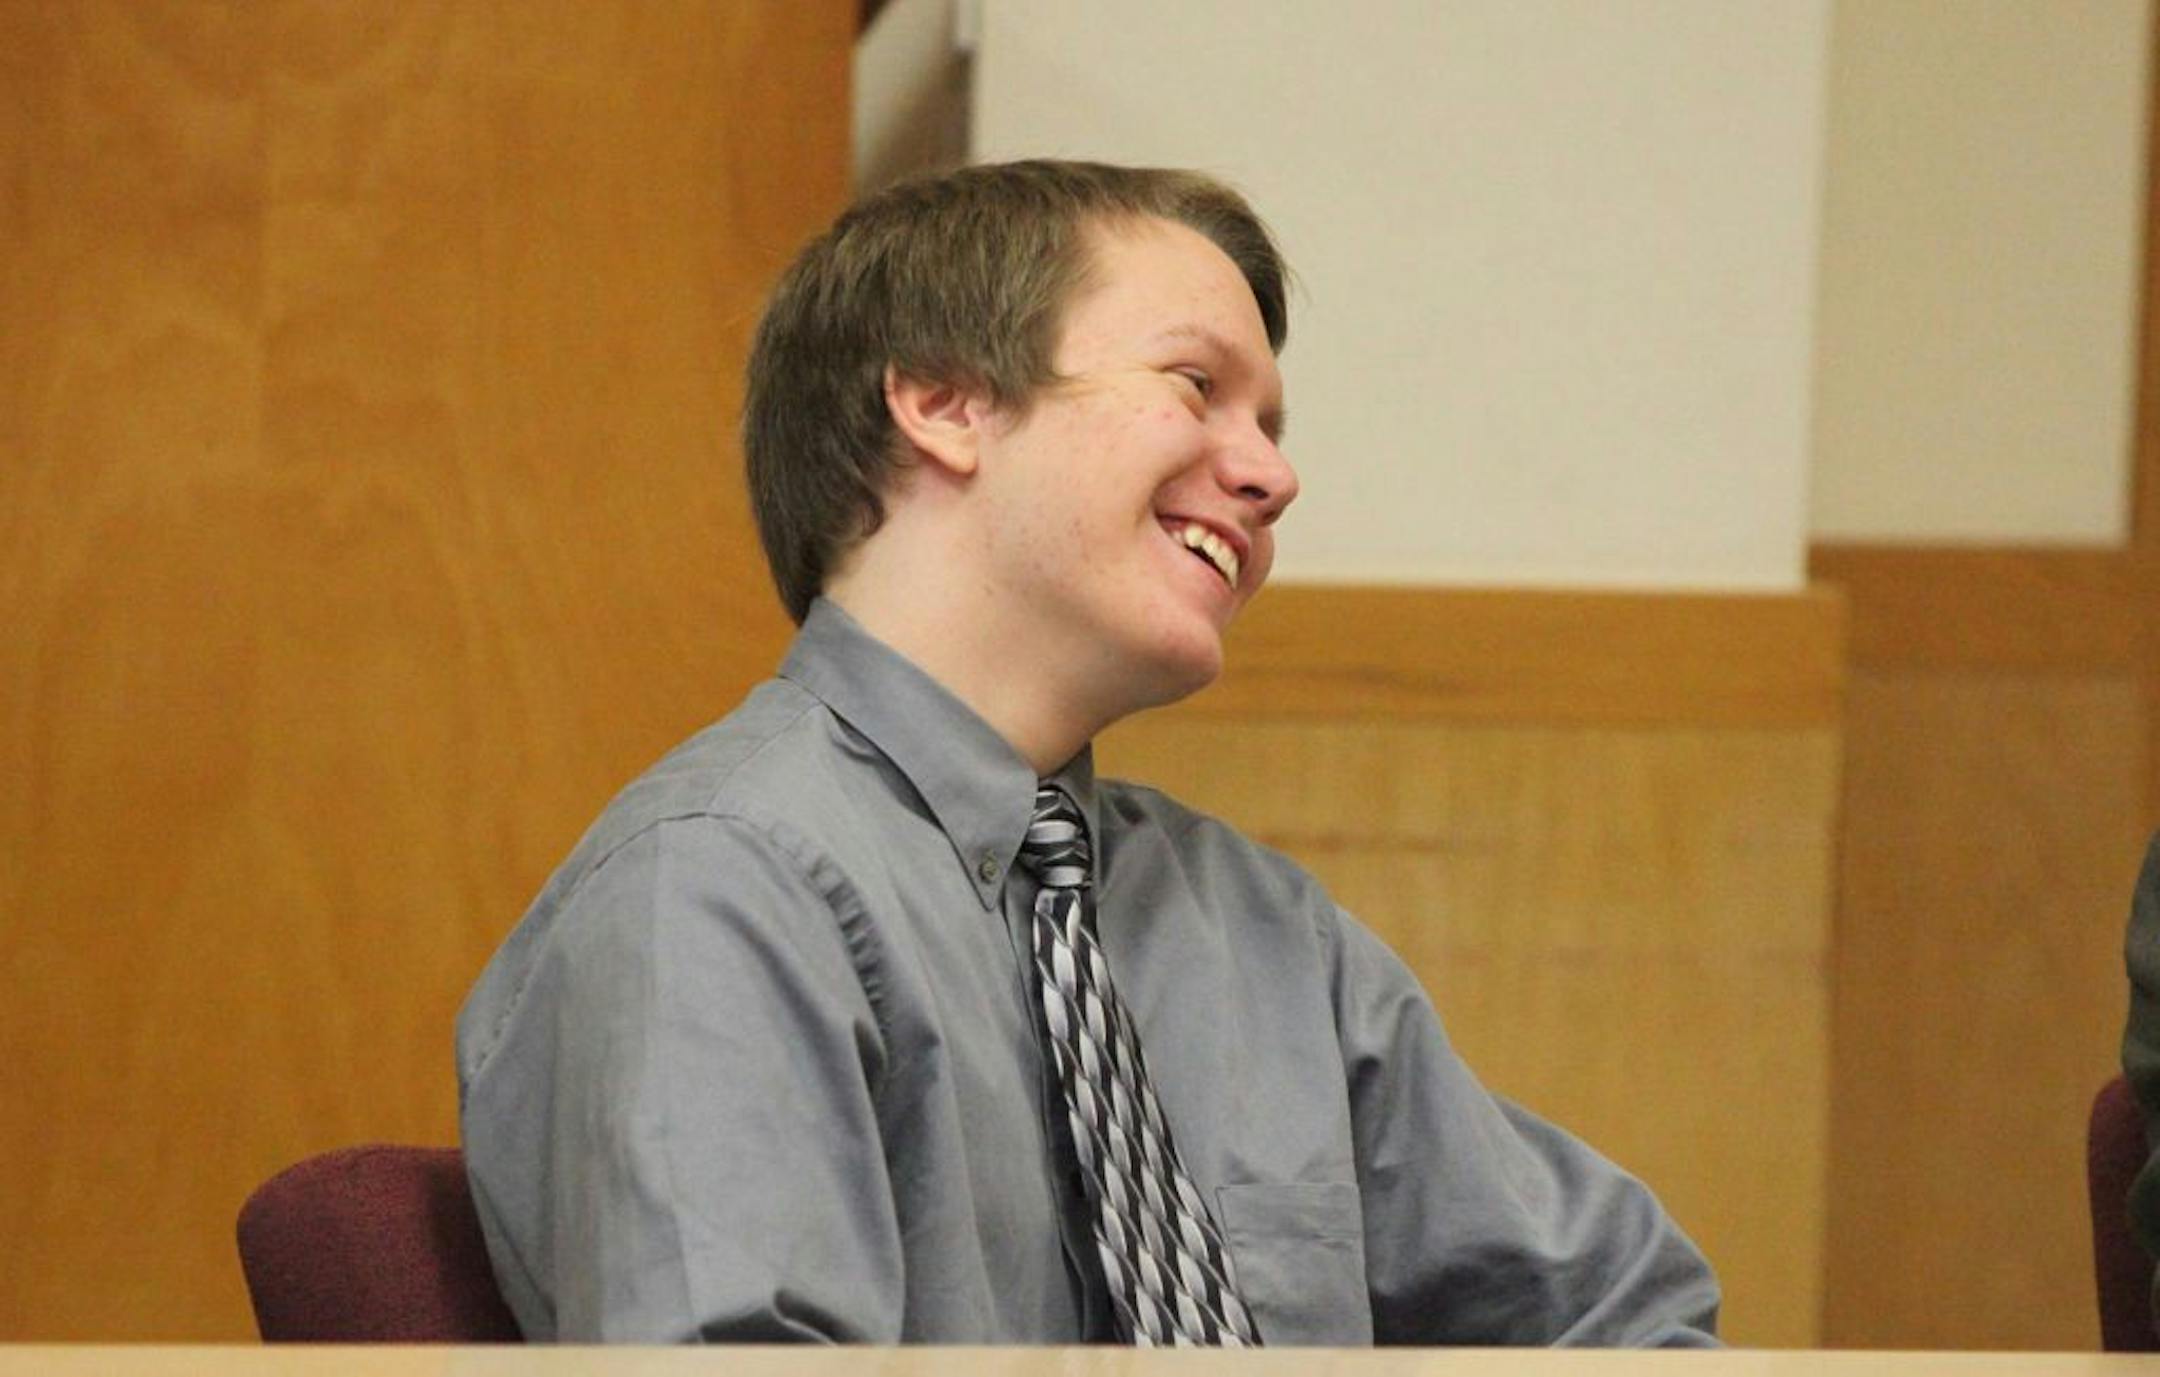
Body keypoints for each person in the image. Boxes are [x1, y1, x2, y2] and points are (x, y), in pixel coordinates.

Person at [455, 159, 1721, 1346]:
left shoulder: (1261, 930)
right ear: (945, 401)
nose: (1274, 476)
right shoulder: (719, 891)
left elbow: (1627, 1311)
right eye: (1195, 386)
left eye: (1273, 423)